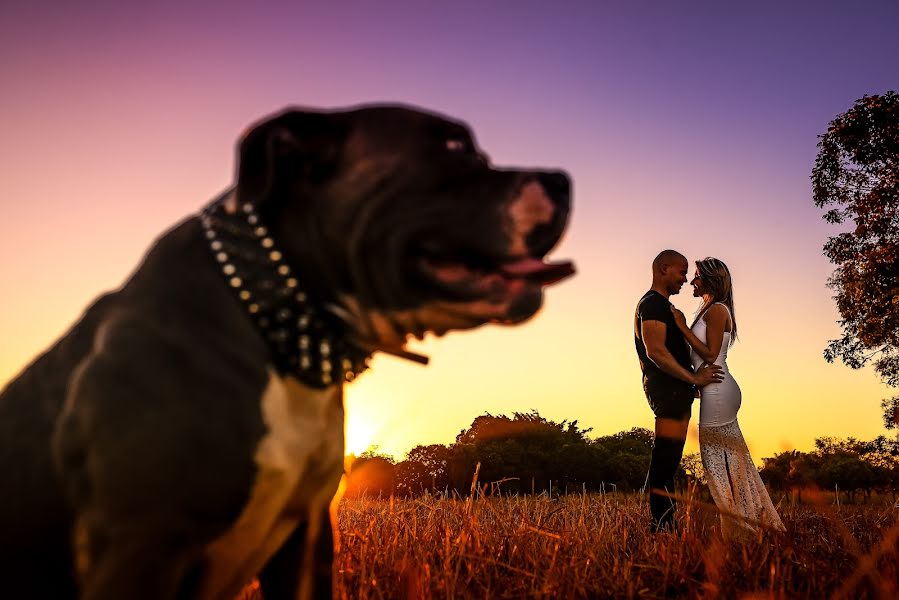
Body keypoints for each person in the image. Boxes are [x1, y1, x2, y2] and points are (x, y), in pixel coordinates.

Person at [670, 257, 785, 538]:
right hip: (713, 388)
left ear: (710, 279)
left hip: (719, 390)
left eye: (697, 276)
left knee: (717, 464)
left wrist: (681, 326)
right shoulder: (709, 309)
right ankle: (748, 528)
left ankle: (743, 532)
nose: (692, 282)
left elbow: (710, 355)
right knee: (729, 464)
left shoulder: (719, 309)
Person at [634, 250, 723, 533]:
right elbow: (656, 351)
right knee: (665, 460)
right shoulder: (653, 304)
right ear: (663, 268)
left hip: (675, 392)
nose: (685, 279)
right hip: (669, 392)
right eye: (681, 272)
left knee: (668, 461)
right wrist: (693, 378)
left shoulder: (661, 306)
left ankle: (665, 526)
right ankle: (662, 527)